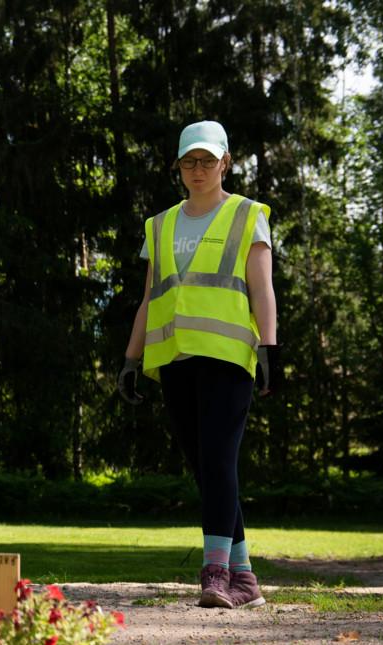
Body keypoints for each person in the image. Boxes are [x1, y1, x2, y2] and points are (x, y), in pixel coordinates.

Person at [116, 120, 281, 609]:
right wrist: (131, 358)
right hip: (175, 359)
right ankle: (246, 577)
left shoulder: (247, 215)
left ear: (225, 162)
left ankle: (215, 573)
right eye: (189, 161)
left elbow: (262, 287)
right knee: (205, 467)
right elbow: (150, 297)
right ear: (179, 167)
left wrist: (269, 347)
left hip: (229, 356)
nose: (197, 170)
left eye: (207, 160)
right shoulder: (160, 225)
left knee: (217, 459)